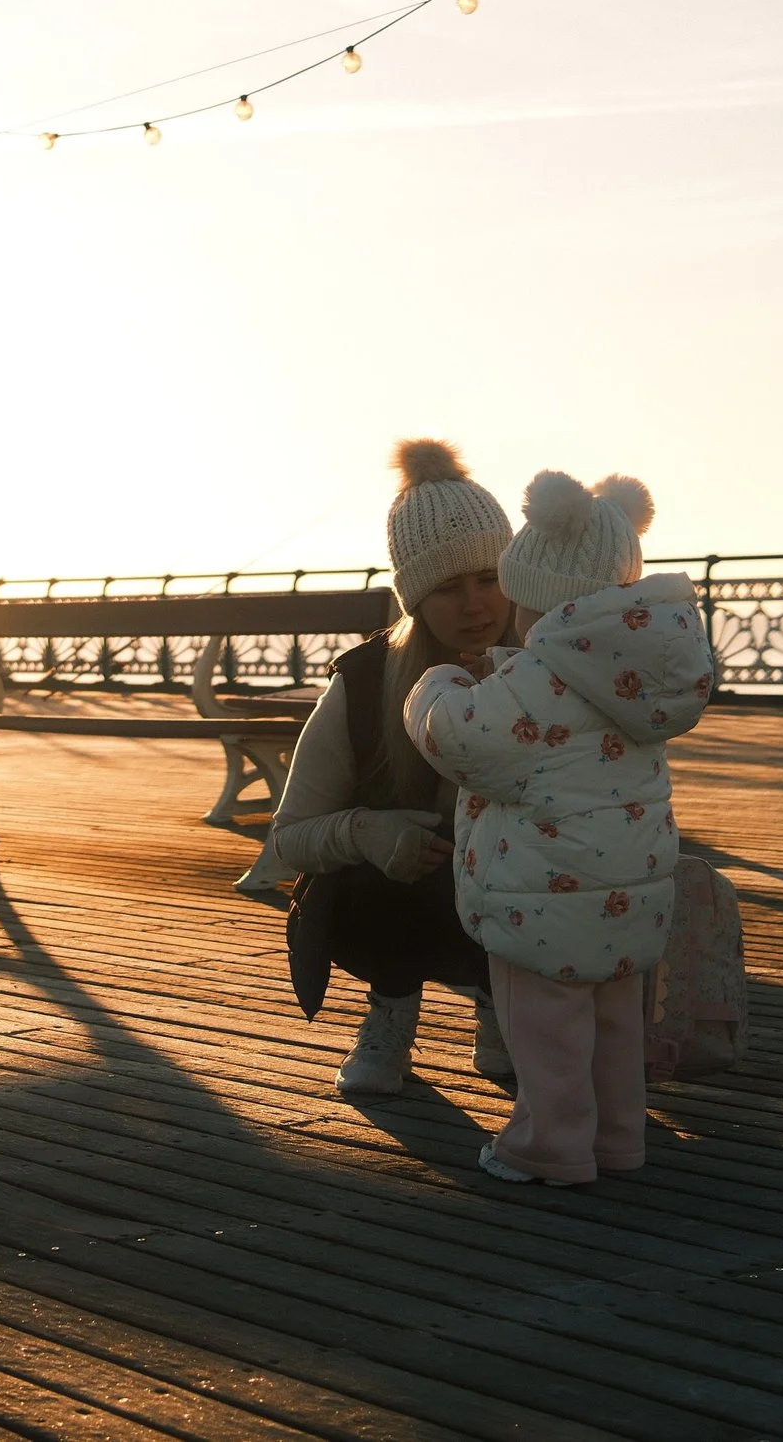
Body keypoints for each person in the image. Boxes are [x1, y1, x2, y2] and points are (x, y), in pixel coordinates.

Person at [403, 468, 716, 1183]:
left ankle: (549, 1144)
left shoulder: (534, 680)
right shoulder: (636, 670)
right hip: (630, 890)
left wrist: (438, 684)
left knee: (546, 1033)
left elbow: (459, 738)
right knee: (613, 1027)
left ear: (536, 598)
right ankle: (616, 1139)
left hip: (538, 893)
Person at [270, 439, 515, 1097]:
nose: (475, 604)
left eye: (490, 578)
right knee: (390, 855)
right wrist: (366, 832)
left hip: (522, 897)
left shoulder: (551, 667)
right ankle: (391, 1006)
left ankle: (506, 1008)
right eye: (448, 586)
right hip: (399, 901)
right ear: (413, 597)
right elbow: (289, 834)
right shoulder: (365, 680)